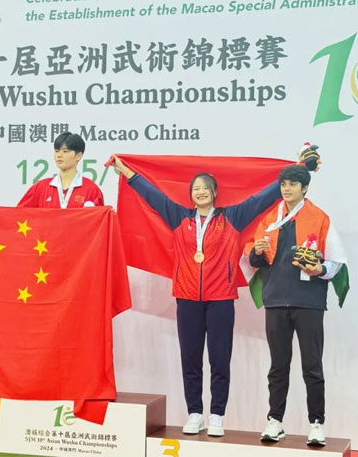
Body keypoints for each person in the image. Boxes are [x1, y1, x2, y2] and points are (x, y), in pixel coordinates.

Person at [110, 147, 317, 437]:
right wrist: (127, 172)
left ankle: (217, 415)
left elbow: (263, 198)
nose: (200, 192)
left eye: (205, 187)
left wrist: (293, 172)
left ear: (215, 193)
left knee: (220, 360)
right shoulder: (179, 217)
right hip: (187, 299)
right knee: (190, 359)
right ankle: (195, 413)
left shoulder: (232, 217)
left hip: (220, 299)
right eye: (196, 188)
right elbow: (153, 196)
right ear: (190, 194)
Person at [246, 164, 347, 446]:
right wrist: (256, 251)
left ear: (305, 188)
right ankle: (275, 421)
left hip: (308, 302)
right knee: (278, 366)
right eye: (284, 184)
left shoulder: (319, 217)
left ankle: (317, 423)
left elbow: (335, 262)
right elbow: (255, 260)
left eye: (292, 184)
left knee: (312, 365)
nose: (286, 189)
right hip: (276, 300)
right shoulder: (270, 219)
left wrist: (319, 269)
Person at [18, 132, 104, 208]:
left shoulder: (91, 190)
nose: (59, 155)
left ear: (78, 156)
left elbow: (100, 219)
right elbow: (19, 214)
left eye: (65, 151)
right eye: (56, 151)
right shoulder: (41, 188)